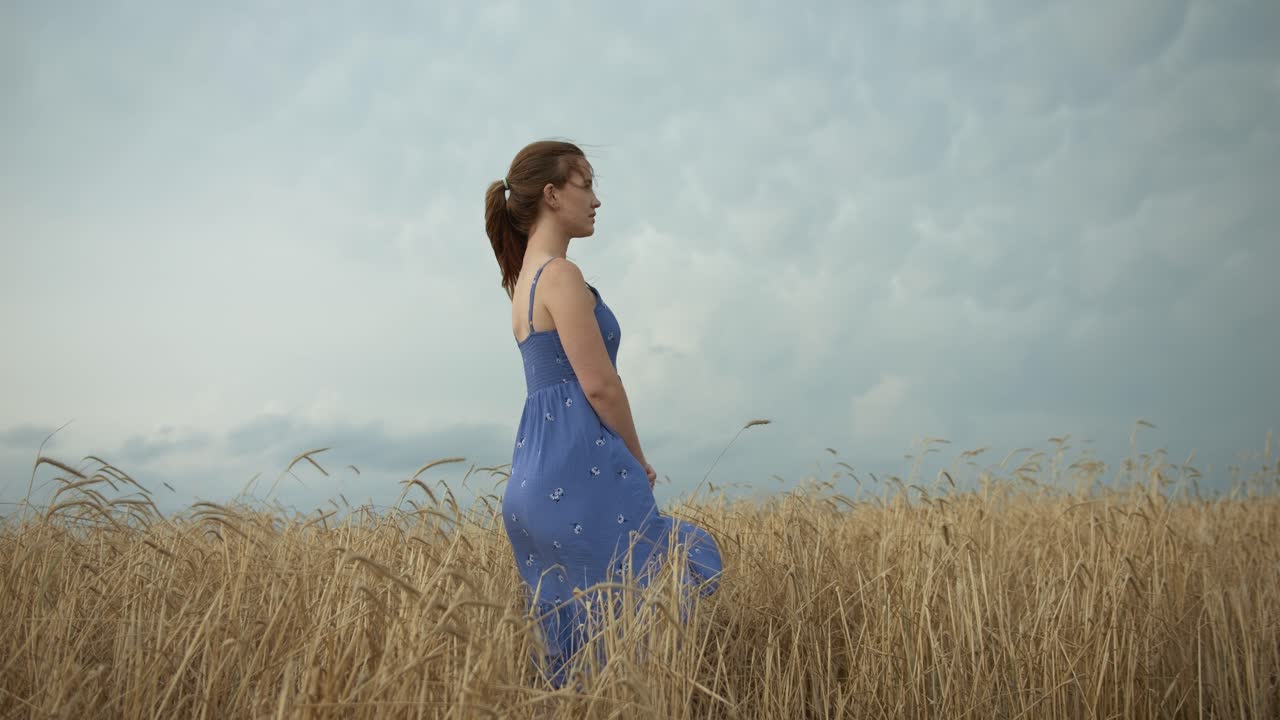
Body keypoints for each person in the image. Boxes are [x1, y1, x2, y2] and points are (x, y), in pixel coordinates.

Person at [484, 140, 722, 687]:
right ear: (551, 193)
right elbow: (600, 386)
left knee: (571, 645)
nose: (596, 200)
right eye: (585, 183)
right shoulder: (561, 275)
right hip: (579, 467)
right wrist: (637, 459)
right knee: (661, 588)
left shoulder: (522, 285)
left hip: (533, 480)